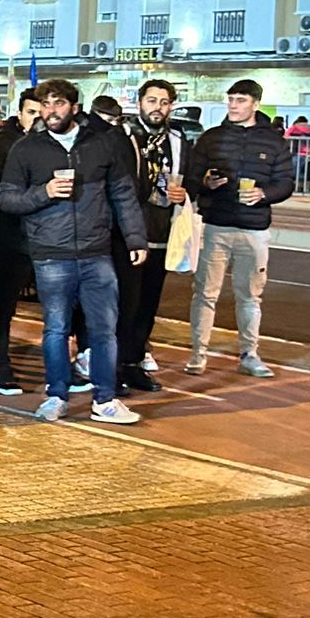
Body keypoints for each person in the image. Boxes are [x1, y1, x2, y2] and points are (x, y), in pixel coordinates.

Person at [0, 79, 148, 424]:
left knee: (104, 330)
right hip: (51, 252)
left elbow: (123, 194)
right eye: (45, 104)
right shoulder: (26, 149)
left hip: (97, 251)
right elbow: (8, 199)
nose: (51, 111)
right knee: (55, 329)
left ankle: (105, 399)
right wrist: (45, 192)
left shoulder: (102, 145)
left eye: (58, 104)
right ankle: (56, 394)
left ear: (74, 108)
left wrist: (135, 239)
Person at [182, 78, 295, 378]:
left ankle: (249, 353)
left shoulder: (273, 141)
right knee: (205, 293)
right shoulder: (211, 138)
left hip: (254, 228)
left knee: (250, 295)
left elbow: (285, 182)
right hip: (216, 224)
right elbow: (192, 179)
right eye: (231, 99)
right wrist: (206, 182)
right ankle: (198, 354)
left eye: (241, 100)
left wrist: (263, 194)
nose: (233, 105)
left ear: (255, 103)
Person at [116, 79, 188, 393]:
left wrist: (187, 192)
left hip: (161, 232)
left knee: (147, 304)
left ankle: (133, 363)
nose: (157, 107)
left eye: (164, 102)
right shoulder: (124, 135)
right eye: (152, 100)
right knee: (121, 303)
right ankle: (109, 364)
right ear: (139, 101)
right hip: (127, 235)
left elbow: (192, 178)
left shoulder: (178, 140)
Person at [0, 88, 41, 395]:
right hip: (10, 235)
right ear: (20, 113)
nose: (38, 118)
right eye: (31, 112)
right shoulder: (3, 143)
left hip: (46, 235)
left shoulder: (54, 143)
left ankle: (66, 364)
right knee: (5, 303)